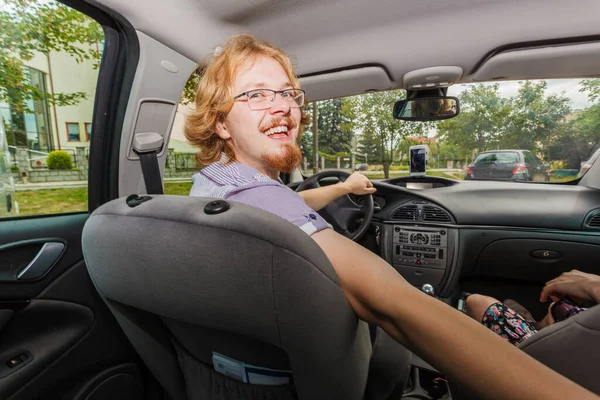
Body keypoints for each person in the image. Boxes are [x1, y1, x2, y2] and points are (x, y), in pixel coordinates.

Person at [184, 34, 599, 400]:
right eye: (256, 94)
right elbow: (395, 305)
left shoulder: (216, 186)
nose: (282, 107)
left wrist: (346, 188)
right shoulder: (263, 200)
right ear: (220, 122)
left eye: (288, 93)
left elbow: (293, 203)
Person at [465, 269, 599, 345]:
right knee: (557, 307)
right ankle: (534, 325)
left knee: (476, 302)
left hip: (553, 358)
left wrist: (594, 287)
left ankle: (532, 329)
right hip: (581, 341)